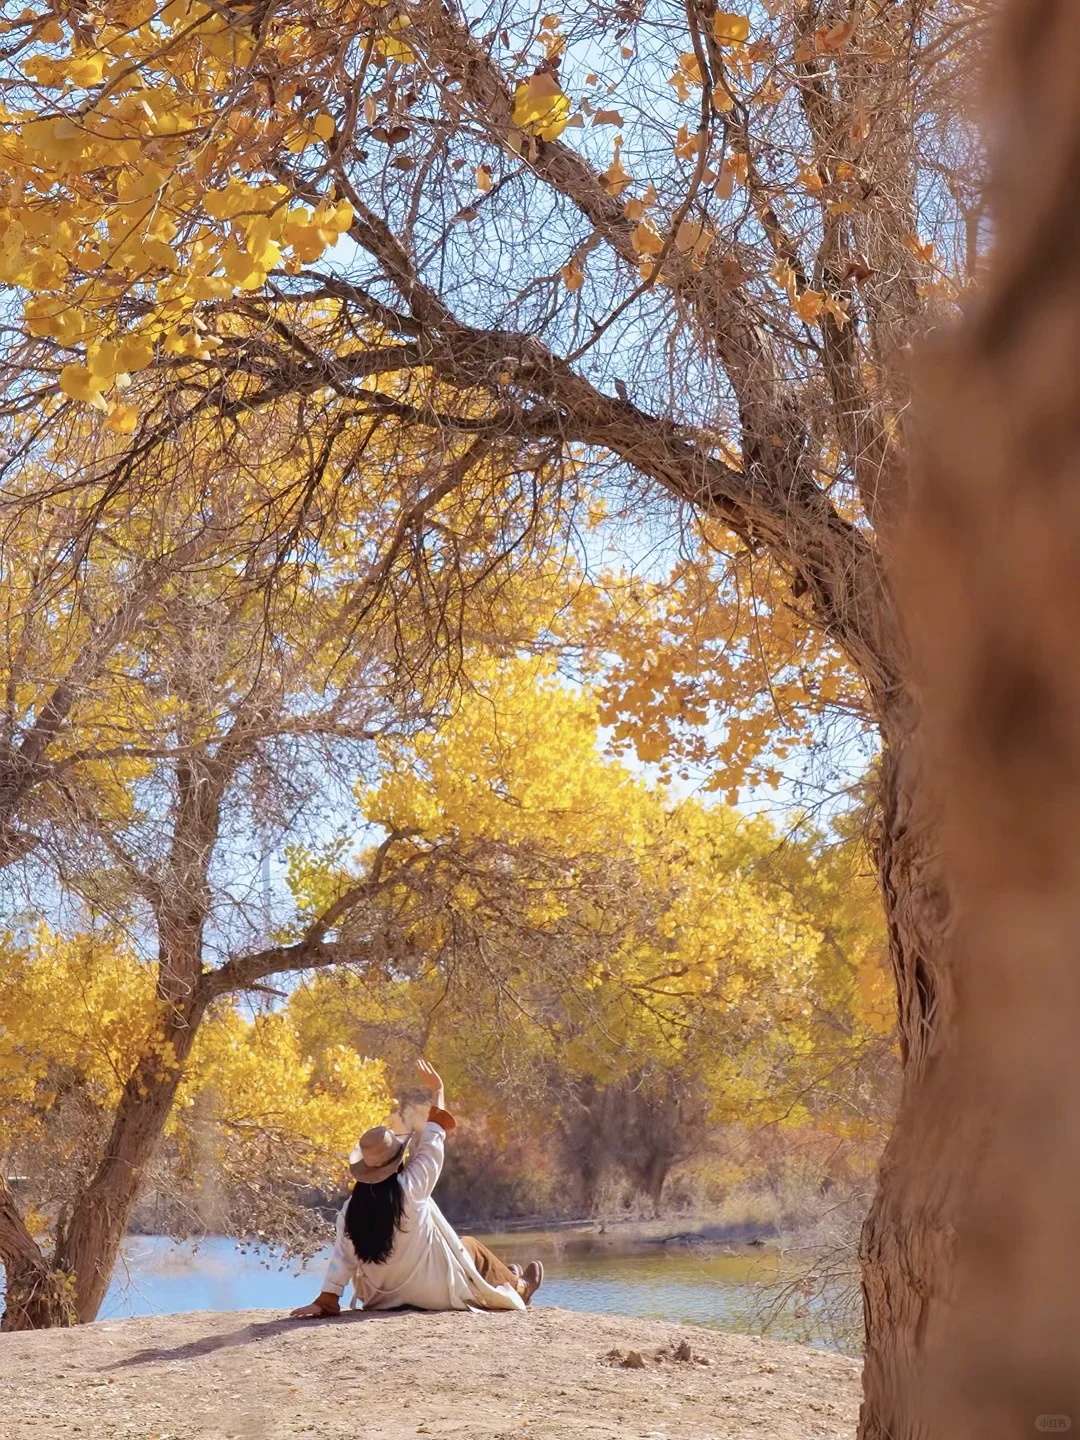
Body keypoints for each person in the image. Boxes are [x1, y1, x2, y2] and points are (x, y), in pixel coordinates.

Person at [290, 1059, 543, 1318]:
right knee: (470, 1246)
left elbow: (342, 1258)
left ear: (365, 1169)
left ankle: (508, 1277)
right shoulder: (412, 1187)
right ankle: (520, 1287)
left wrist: (326, 1299)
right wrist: (438, 1091)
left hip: (382, 1299)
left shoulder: (352, 1208)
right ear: (397, 1160)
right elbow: (434, 1140)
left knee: (466, 1250)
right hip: (434, 1293)